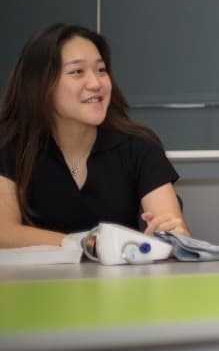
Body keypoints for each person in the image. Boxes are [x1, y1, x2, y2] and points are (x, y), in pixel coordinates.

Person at [0, 23, 188, 249]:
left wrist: (174, 237)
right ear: (40, 84)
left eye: (101, 70)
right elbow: (4, 232)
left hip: (122, 273)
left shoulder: (139, 146)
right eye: (77, 72)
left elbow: (173, 234)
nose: (96, 83)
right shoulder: (10, 145)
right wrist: (87, 244)